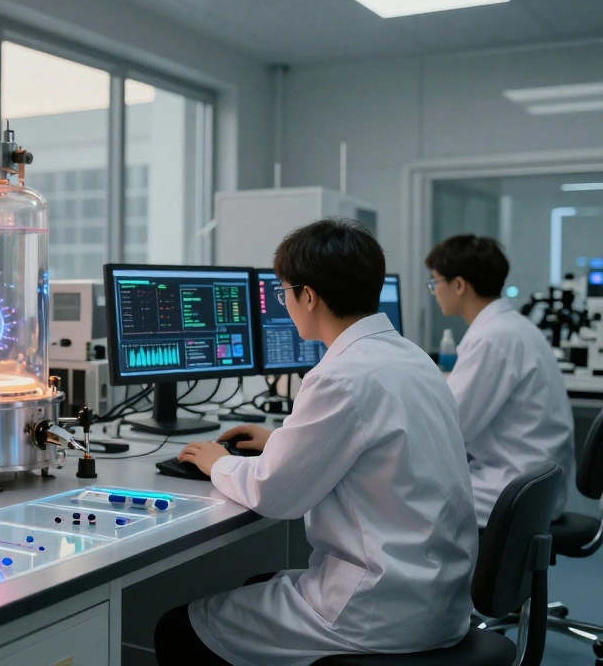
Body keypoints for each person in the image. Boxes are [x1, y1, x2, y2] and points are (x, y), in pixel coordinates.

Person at [153, 219, 477, 666]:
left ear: (307, 295)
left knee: (176, 629)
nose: (283, 302)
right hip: (438, 596)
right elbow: (373, 446)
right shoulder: (410, 356)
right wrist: (280, 441)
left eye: (283, 290)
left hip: (377, 607)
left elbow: (275, 493)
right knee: (257, 583)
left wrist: (217, 462)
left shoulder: (340, 375)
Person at [426, 234, 575, 527]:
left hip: (514, 487)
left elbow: (451, 429)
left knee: (408, 497)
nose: (434, 291)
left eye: (435, 282)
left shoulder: (492, 338)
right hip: (535, 484)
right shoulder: (512, 327)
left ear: (458, 285)